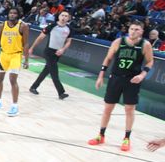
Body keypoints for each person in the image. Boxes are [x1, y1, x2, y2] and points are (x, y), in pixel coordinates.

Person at [88, 20, 154, 151]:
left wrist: (142, 75)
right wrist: (101, 76)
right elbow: (107, 58)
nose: (133, 31)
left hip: (132, 81)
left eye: (136, 29)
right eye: (131, 29)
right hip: (116, 79)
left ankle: (126, 138)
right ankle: (101, 135)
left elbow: (150, 61)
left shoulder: (145, 45)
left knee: (129, 110)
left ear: (141, 31)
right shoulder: (118, 42)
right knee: (107, 109)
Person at [0, 7, 30, 116]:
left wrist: (26, 59)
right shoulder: (2, 25)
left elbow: (26, 44)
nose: (12, 15)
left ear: (18, 15)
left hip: (16, 55)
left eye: (14, 13)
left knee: (12, 80)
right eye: (10, 13)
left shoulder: (23, 26)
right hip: (3, 55)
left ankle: (14, 106)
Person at [28, 11, 73, 99]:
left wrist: (63, 49)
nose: (64, 17)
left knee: (46, 71)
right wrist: (32, 47)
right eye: (62, 15)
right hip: (49, 52)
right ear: (59, 17)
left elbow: (69, 41)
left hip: (58, 53)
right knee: (54, 73)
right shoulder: (52, 26)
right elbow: (40, 37)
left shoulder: (69, 29)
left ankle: (33, 87)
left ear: (68, 18)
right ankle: (61, 93)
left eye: (66, 16)